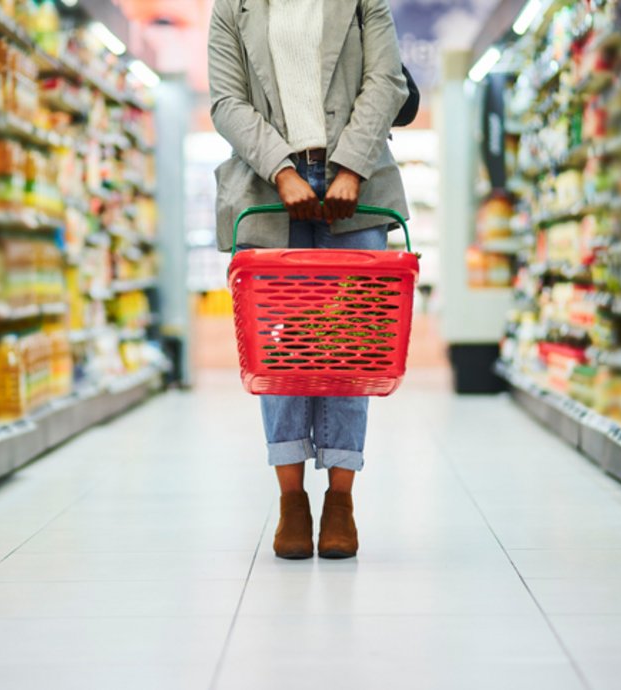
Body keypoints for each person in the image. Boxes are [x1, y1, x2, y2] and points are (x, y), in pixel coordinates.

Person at [208, 0, 409, 559]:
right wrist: (281, 168)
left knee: (352, 349)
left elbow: (386, 81)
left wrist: (350, 167)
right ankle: (291, 499)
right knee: (282, 353)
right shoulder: (233, 7)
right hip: (267, 190)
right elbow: (227, 102)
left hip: (358, 189)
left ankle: (340, 498)